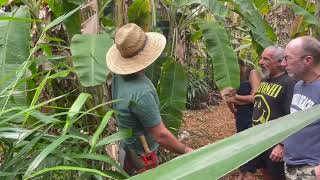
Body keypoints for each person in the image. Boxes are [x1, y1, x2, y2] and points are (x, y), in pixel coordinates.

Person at [105, 23, 193, 176]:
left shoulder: (118, 76)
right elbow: (161, 135)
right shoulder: (141, 92)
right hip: (143, 153)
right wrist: (185, 150)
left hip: (128, 143)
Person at [251, 45, 295, 180]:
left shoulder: (289, 83)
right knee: (265, 172)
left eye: (266, 59)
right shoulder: (265, 80)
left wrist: (282, 144)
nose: (260, 62)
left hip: (275, 143)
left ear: (280, 62)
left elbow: (293, 116)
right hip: (261, 139)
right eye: (261, 58)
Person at [280, 36, 320, 180]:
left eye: (287, 58)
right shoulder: (298, 86)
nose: (283, 64)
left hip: (312, 168)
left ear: (307, 60)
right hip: (292, 165)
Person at [226, 60, 261, 180]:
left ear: (242, 66)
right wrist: (233, 108)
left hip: (253, 112)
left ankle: (250, 172)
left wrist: (235, 98)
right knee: (241, 142)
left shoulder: (252, 73)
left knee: (250, 141)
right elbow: (227, 99)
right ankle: (243, 170)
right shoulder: (230, 77)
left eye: (237, 67)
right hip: (241, 113)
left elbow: (255, 98)